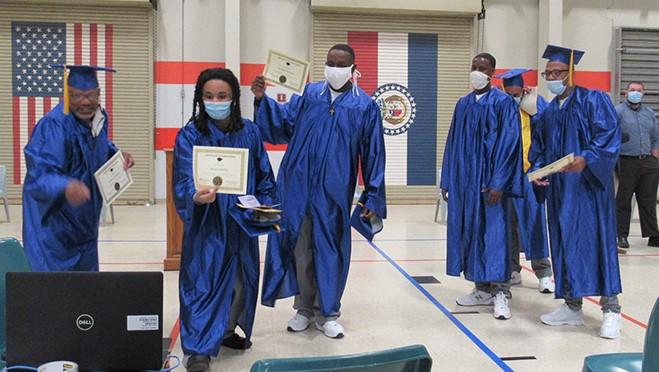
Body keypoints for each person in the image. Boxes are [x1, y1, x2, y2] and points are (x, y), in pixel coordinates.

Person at [251, 44, 387, 339]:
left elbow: (374, 153)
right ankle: (304, 309)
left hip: (334, 191)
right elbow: (282, 126)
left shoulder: (364, 106)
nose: (334, 68)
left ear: (353, 69)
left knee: (331, 250)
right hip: (296, 185)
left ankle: (328, 312)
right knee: (301, 248)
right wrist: (262, 100)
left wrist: (372, 195)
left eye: (341, 64)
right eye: (330, 62)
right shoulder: (310, 95)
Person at [173, 68, 278, 372]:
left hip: (240, 220)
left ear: (233, 98)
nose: (215, 101)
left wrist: (266, 204)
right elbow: (182, 179)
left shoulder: (249, 132)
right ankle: (198, 350)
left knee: (239, 282)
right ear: (199, 98)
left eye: (222, 96)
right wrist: (194, 195)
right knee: (202, 283)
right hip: (208, 222)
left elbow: (263, 175)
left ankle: (225, 330)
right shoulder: (191, 134)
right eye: (208, 96)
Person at [530, 45, 622, 339]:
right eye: (548, 73)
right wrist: (540, 172)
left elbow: (608, 136)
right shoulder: (548, 112)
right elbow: (541, 148)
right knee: (563, 243)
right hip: (559, 191)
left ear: (570, 73)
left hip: (588, 190)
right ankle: (572, 306)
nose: (553, 77)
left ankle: (611, 310)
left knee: (596, 243)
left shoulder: (593, 100)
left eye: (557, 72)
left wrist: (588, 159)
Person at [22, 65, 134, 271]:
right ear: (66, 94)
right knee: (57, 296)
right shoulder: (54, 126)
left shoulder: (99, 120)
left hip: (85, 229)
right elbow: (38, 177)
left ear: (99, 94)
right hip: (54, 233)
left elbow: (96, 150)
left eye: (90, 95)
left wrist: (117, 155)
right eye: (76, 96)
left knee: (85, 294)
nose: (84, 102)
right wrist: (65, 186)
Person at [441, 53, 523, 320]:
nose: (477, 71)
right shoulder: (463, 104)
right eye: (474, 67)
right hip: (466, 182)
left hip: (490, 183)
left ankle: (501, 292)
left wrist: (499, 181)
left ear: (492, 72)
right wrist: (447, 179)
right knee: (472, 232)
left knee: (495, 235)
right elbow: (452, 142)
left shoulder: (503, 103)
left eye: (482, 68)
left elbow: (510, 145)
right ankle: (481, 288)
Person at [494, 69, 554, 293]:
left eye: (517, 93)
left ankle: (544, 272)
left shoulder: (534, 104)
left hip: (531, 173)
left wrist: (533, 109)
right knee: (508, 223)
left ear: (524, 90)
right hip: (508, 175)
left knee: (535, 222)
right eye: (509, 93)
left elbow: (550, 127)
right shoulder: (498, 106)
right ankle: (512, 269)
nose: (514, 97)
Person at [615, 81, 659, 251]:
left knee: (648, 199)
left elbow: (656, 136)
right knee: (624, 199)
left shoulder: (649, 113)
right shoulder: (618, 112)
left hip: (648, 161)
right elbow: (610, 134)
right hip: (626, 160)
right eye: (632, 90)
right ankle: (621, 234)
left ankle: (653, 234)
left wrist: (655, 150)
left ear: (643, 93)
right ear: (626, 93)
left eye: (639, 90)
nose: (635, 93)